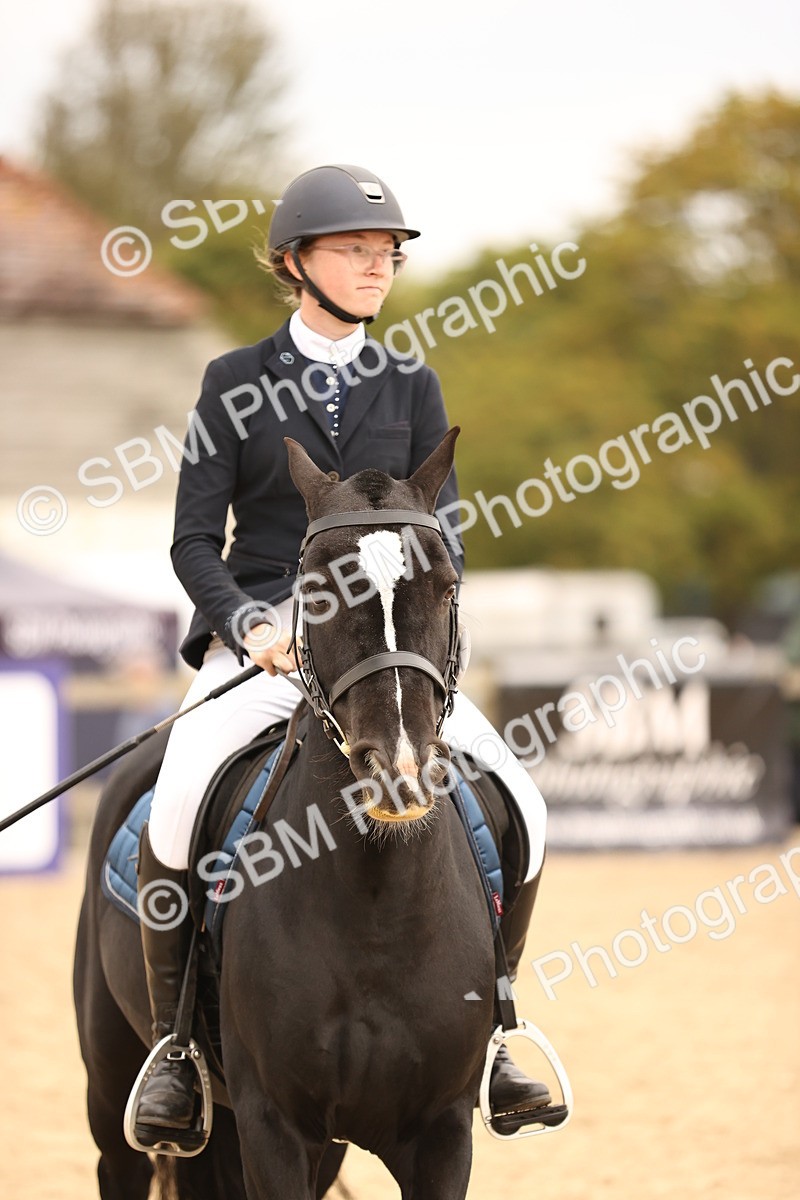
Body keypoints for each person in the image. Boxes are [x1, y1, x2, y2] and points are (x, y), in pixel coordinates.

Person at [131, 164, 552, 1146]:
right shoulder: (233, 382)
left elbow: (437, 539)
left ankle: (491, 1030)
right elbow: (194, 541)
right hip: (271, 637)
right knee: (178, 802)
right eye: (354, 251)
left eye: (386, 253)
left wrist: (429, 631)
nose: (376, 266)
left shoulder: (412, 383)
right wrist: (251, 625)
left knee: (520, 805)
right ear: (295, 262)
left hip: (389, 647)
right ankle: (175, 1055)